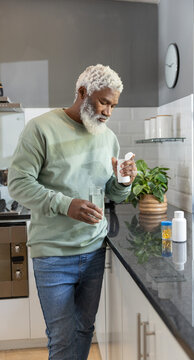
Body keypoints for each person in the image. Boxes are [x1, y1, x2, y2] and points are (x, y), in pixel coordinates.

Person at [8, 64, 137, 360]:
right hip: (53, 255)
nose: (108, 112)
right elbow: (18, 184)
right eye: (104, 101)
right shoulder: (41, 129)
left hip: (93, 250)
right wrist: (67, 204)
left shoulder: (108, 138)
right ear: (82, 93)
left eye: (114, 105)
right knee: (63, 339)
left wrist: (123, 181)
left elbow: (111, 192)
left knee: (84, 330)